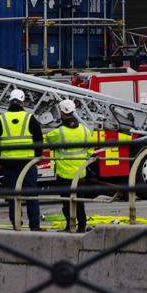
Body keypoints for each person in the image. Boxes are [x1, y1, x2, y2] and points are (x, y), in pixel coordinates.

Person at [0, 88, 44, 230]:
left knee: (12, 196)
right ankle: (34, 226)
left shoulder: (1, 119)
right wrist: (36, 158)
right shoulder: (30, 118)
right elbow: (39, 140)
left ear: (9, 102)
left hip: (8, 164)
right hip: (28, 163)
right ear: (22, 103)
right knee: (31, 195)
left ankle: (16, 224)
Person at [47, 99, 98, 232]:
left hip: (64, 173)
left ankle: (70, 226)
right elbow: (90, 150)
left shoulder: (59, 133)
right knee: (79, 203)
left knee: (66, 203)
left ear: (62, 113)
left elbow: (46, 140)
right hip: (80, 173)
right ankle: (81, 227)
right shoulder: (85, 130)